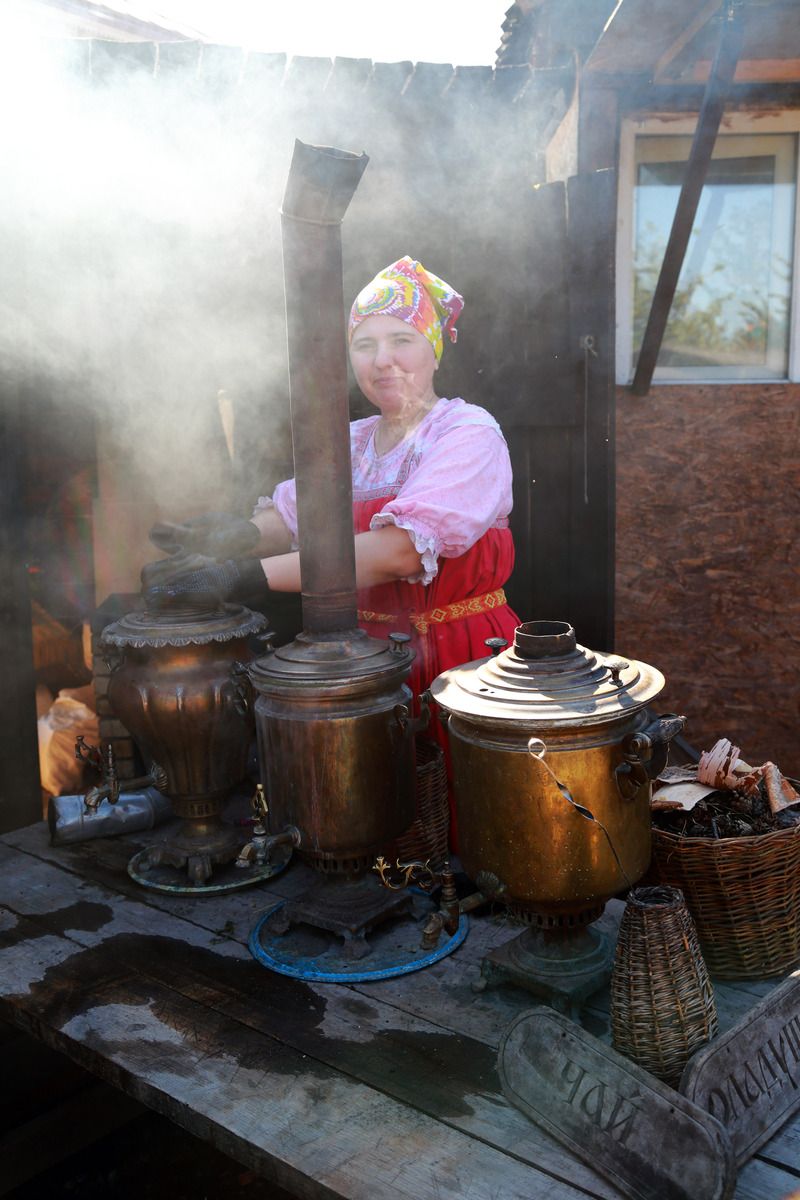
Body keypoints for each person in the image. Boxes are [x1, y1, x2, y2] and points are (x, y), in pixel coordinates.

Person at [145, 255, 520, 751]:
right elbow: (290, 515)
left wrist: (247, 575)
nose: (381, 359)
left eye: (401, 340)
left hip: (466, 660)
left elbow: (402, 552)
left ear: (433, 351)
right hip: (360, 663)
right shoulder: (350, 442)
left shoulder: (467, 432)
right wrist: (238, 536)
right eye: (365, 345)